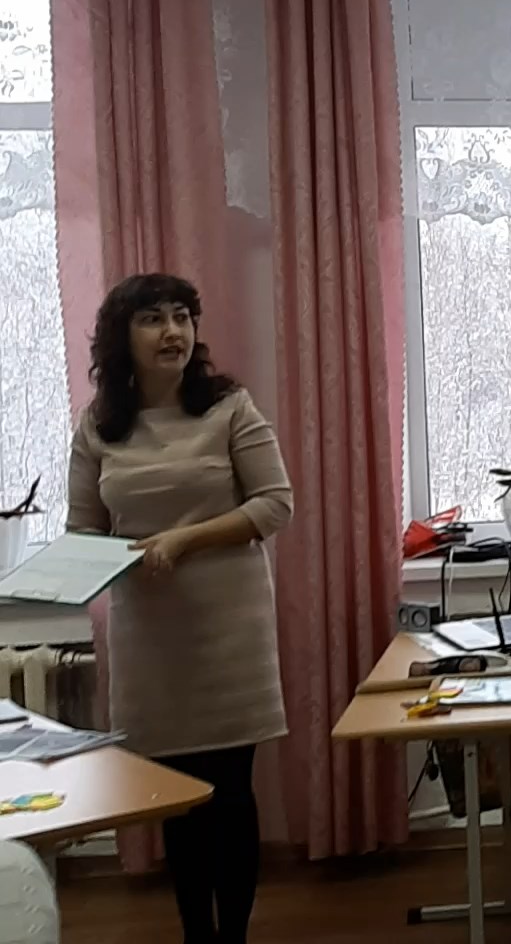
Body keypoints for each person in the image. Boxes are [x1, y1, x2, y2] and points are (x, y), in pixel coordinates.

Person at [66, 274, 292, 944]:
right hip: (149, 638)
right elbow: (83, 529)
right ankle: (197, 935)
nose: (172, 332)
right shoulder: (100, 424)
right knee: (178, 801)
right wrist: (89, 561)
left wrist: (183, 540)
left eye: (182, 317)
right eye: (152, 319)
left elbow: (274, 504)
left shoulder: (228, 407)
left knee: (230, 795)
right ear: (121, 337)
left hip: (229, 633)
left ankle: (234, 937)